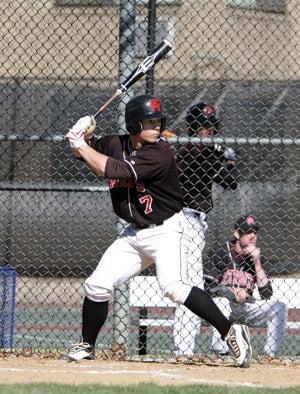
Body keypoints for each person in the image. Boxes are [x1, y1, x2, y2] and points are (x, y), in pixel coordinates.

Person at [60, 94, 252, 368]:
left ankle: (231, 332)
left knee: (174, 288)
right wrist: (78, 138)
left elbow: (110, 169)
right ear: (134, 125)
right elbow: (86, 154)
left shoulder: (159, 153)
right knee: (97, 285)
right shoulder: (115, 142)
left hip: (167, 231)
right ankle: (87, 345)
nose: (157, 127)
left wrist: (80, 143)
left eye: (158, 121)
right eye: (150, 122)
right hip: (135, 232)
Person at [173, 102, 238, 356]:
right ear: (193, 128)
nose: (209, 131)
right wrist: (230, 159)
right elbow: (230, 182)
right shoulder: (196, 152)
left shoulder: (196, 150)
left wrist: (219, 153)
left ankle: (185, 350)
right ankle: (183, 351)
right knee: (190, 287)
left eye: (212, 126)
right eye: (203, 127)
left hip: (193, 222)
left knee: (192, 286)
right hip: (187, 220)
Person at [205, 215, 288, 358]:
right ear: (237, 234)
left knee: (280, 307)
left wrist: (256, 263)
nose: (252, 236)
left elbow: (266, 294)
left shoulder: (258, 256)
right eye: (247, 232)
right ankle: (220, 352)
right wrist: (230, 291)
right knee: (222, 302)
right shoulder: (221, 251)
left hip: (245, 307)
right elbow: (208, 285)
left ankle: (270, 355)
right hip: (220, 308)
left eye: (255, 232)